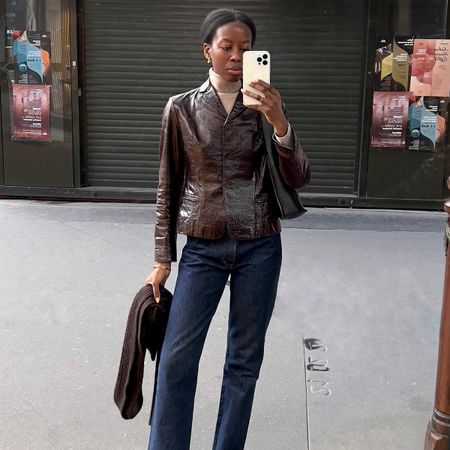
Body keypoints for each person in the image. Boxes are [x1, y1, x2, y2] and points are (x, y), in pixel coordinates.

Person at [144, 8, 310, 450]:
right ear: (207, 51)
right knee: (177, 358)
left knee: (243, 362)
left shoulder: (266, 105)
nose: (237, 56)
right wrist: (163, 258)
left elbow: (298, 176)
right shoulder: (180, 108)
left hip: (260, 246)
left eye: (245, 48)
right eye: (227, 46)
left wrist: (280, 124)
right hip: (203, 245)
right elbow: (167, 185)